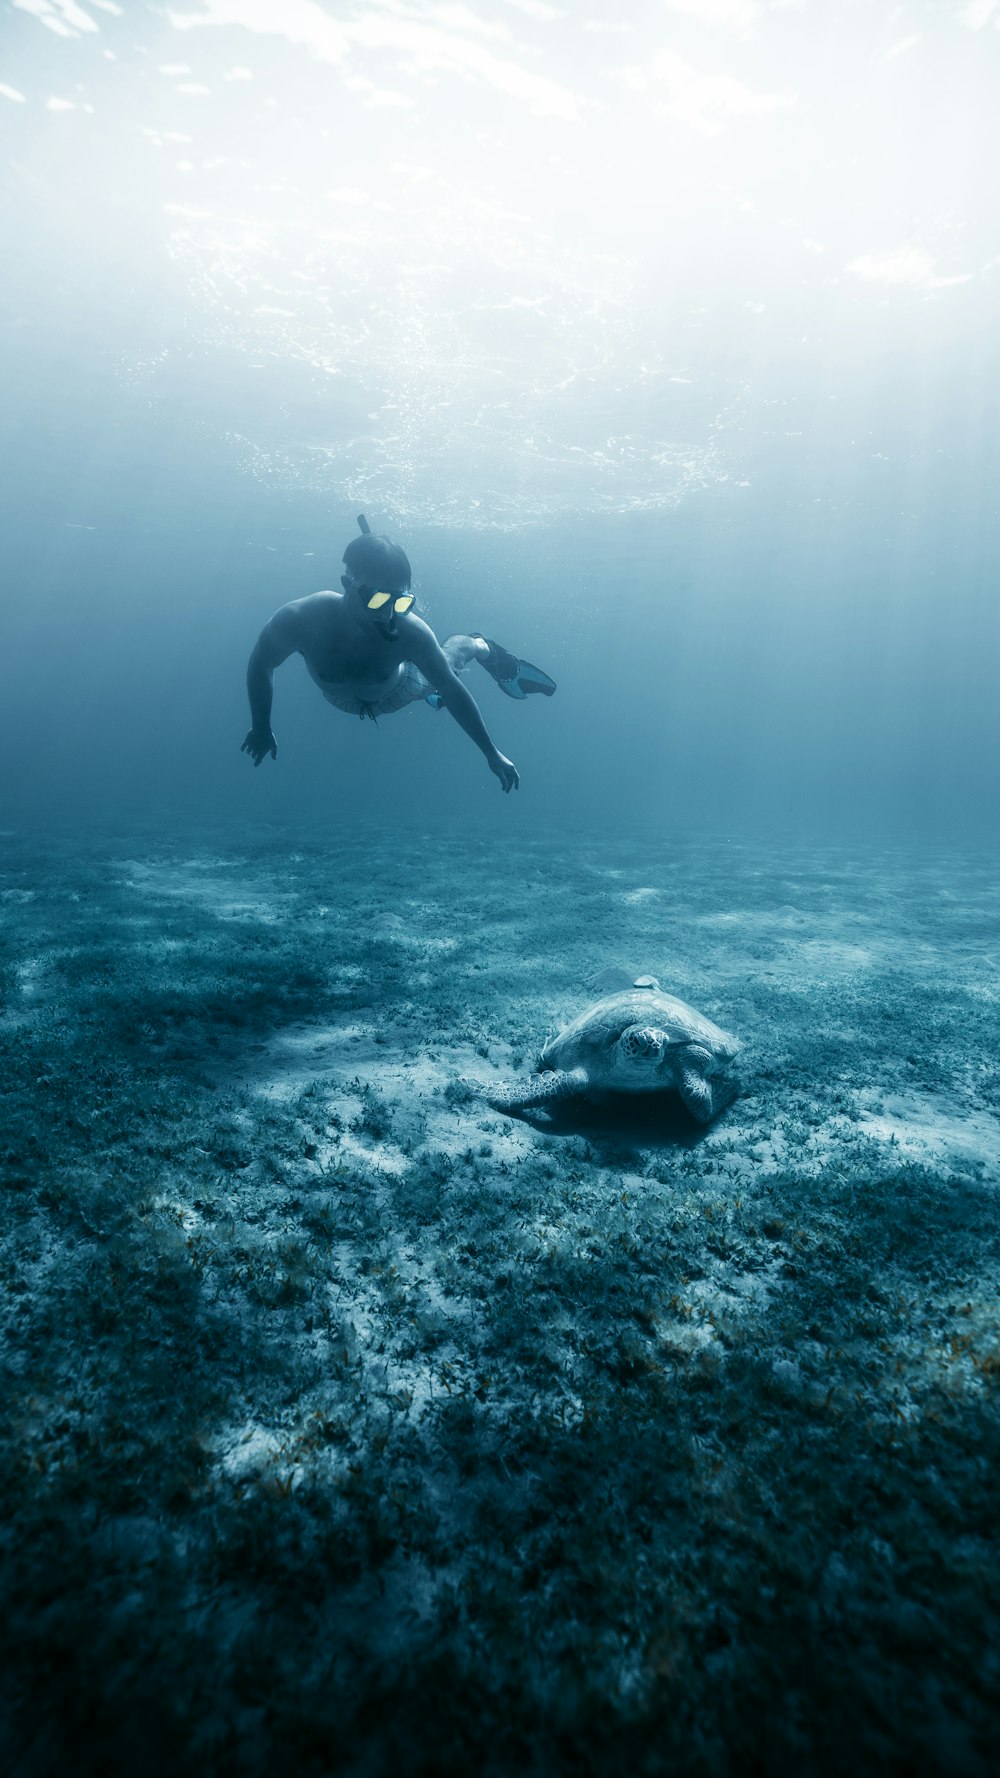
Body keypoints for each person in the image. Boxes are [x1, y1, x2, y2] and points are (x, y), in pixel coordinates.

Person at [241, 517, 556, 795]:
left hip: (402, 688)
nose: (389, 614)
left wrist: (491, 752)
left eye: (401, 603)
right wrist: (261, 726)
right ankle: (437, 691)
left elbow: (451, 689)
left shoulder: (410, 632)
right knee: (438, 685)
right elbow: (261, 664)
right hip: (339, 697)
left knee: (447, 667)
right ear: (347, 584)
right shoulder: (301, 618)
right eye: (378, 599)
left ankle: (478, 645)